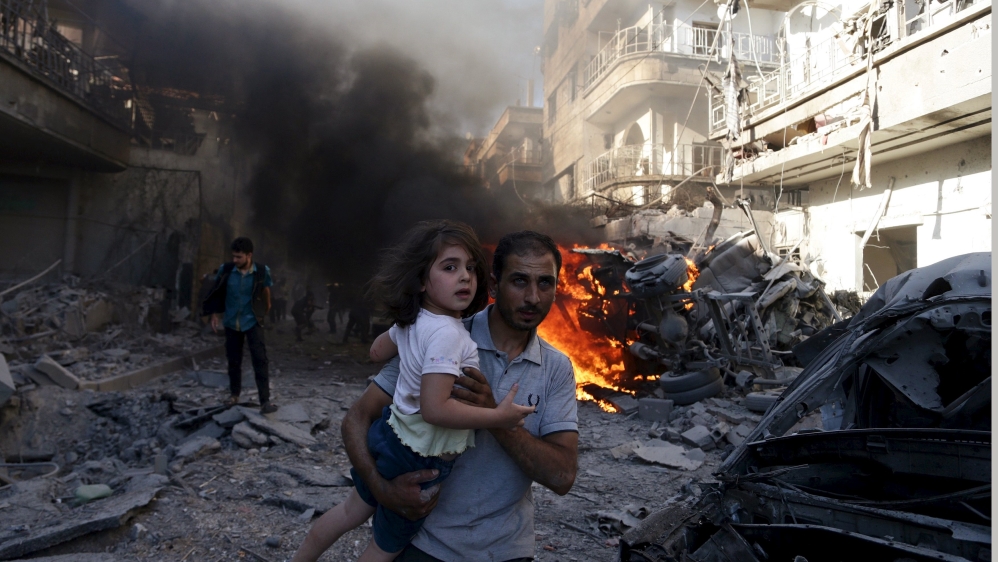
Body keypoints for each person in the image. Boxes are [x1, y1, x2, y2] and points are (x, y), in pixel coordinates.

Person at [294, 230, 578, 562]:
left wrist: (496, 419)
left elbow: (562, 477)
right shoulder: (443, 333)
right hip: (427, 543)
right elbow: (357, 417)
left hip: (505, 550)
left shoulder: (556, 368)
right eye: (519, 281)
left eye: (545, 283)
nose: (532, 297)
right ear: (493, 284)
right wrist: (381, 489)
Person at [201, 237, 278, 414]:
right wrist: (214, 314)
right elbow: (217, 291)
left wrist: (266, 307)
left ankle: (265, 401)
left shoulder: (261, 271)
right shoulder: (226, 270)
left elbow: (266, 289)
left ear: (249, 255)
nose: (235, 260)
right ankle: (234, 395)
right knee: (234, 360)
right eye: (233, 256)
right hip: (231, 321)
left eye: (239, 257)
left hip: (252, 321)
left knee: (260, 359)